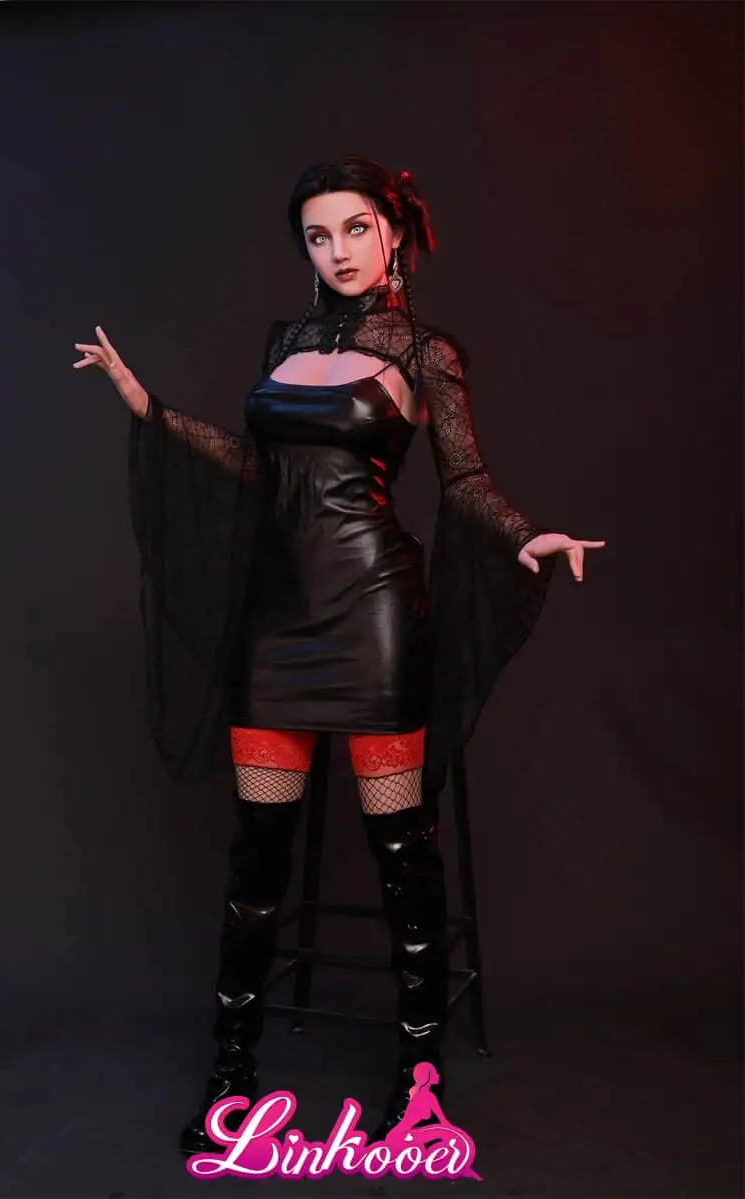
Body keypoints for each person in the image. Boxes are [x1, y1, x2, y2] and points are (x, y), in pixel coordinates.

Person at [73, 154, 605, 1153]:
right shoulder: (285, 341)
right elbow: (259, 468)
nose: (339, 250)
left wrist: (525, 533)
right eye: (319, 235)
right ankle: (231, 1079)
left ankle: (419, 1083)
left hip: (374, 616)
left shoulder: (426, 353)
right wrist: (150, 408)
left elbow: (464, 479)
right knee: (255, 856)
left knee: (402, 852)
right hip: (277, 623)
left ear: (392, 231)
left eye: (356, 228)